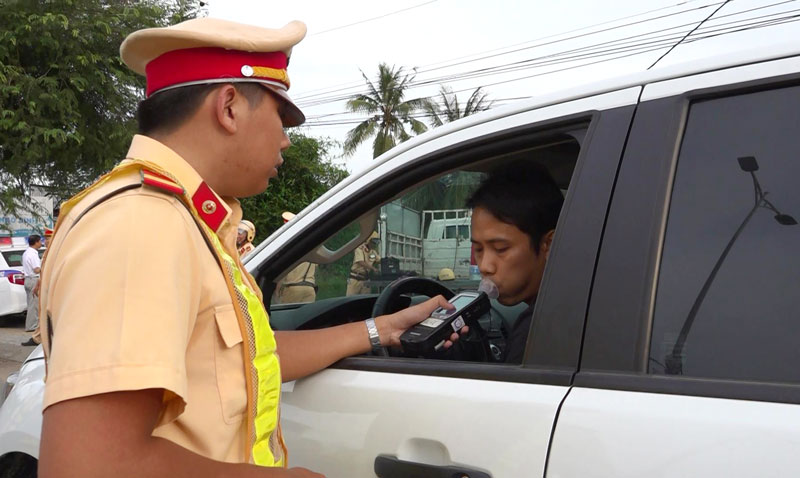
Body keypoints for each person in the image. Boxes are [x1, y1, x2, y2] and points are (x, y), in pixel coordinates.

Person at [36, 17, 462, 478]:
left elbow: (245, 359)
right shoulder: (144, 224)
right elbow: (88, 465)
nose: (285, 140)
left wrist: (381, 329)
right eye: (281, 116)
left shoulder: (186, 220)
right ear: (230, 107)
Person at [467, 161, 563, 364]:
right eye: (479, 249)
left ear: (549, 244)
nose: (485, 266)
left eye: (500, 249)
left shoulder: (538, 332)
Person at [276, 212, 317, 304]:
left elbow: (282, 272)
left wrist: (277, 291)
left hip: (292, 288)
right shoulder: (311, 244)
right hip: (310, 288)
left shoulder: (289, 246)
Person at [21, 228, 53, 346]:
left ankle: (38, 335)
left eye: (47, 239)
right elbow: (38, 269)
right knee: (36, 307)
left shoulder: (29, 252)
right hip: (36, 280)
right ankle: (36, 333)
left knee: (38, 308)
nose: (45, 242)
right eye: (43, 240)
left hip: (39, 281)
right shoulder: (37, 253)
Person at [345, 232, 381, 296]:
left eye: (376, 242)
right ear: (368, 240)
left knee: (364, 301)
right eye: (373, 242)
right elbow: (360, 262)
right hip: (355, 279)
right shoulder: (359, 248)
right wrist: (373, 268)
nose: (374, 244)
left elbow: (379, 260)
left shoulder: (373, 252)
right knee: (350, 300)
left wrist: (387, 260)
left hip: (365, 280)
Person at [21, 234, 42, 333]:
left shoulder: (26, 253)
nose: (41, 243)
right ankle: (32, 326)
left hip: (28, 279)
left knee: (31, 303)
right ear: (36, 242)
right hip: (33, 279)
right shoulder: (33, 254)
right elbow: (37, 269)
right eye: (40, 241)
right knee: (34, 305)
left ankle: (31, 325)